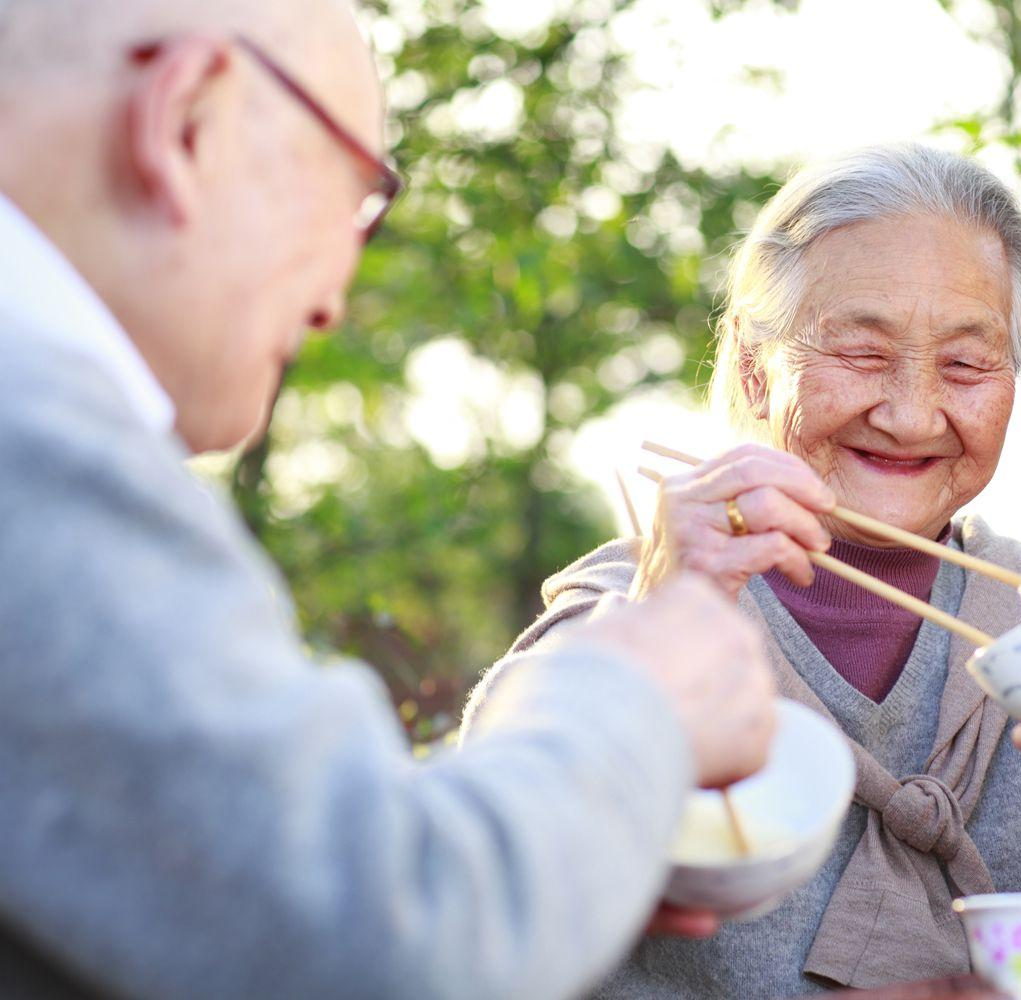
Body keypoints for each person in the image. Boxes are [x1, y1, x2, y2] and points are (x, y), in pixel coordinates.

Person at [0, 1, 778, 997]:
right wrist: (630, 702)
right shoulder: (38, 438)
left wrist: (567, 826)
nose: (336, 296)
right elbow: (381, 942)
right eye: (353, 202)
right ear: (185, 116)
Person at [464, 144, 1021, 996]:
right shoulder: (631, 606)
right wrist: (656, 627)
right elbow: (474, 896)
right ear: (753, 365)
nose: (910, 413)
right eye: (861, 352)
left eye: (966, 364)